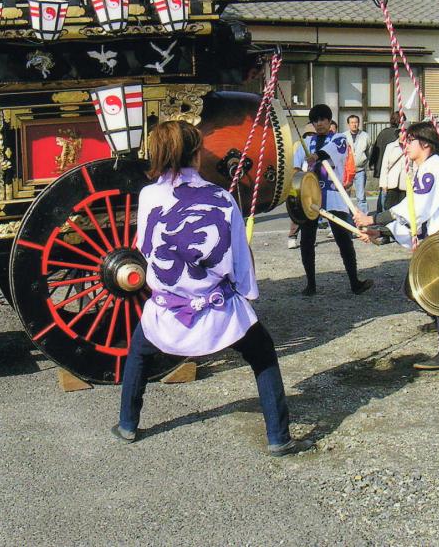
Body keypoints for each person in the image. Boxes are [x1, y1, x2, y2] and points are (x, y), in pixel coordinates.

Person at [114, 120, 311, 456]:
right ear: (196, 155)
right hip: (218, 308)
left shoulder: (148, 195)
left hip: (166, 308)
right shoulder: (221, 197)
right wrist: (247, 295)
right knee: (262, 353)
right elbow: (239, 258)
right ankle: (278, 436)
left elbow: (143, 247)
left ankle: (128, 424)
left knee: (139, 354)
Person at [354, 122, 439, 370]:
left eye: (410, 142)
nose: (405, 146)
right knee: (413, 288)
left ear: (426, 145)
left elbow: (416, 211)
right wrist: (382, 233)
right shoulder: (426, 168)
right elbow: (415, 216)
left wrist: (375, 219)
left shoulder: (431, 169)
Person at [293, 104, 373, 296]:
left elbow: (331, 152)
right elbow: (296, 169)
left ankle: (355, 282)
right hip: (310, 197)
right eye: (316, 120)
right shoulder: (305, 142)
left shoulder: (339, 138)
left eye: (323, 120)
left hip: (333, 195)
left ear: (329, 122)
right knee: (307, 241)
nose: (319, 123)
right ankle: (311, 284)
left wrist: (315, 156)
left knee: (343, 240)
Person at [370, 112, 405, 212]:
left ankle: (380, 214)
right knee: (388, 200)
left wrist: (372, 163)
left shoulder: (383, 132)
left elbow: (374, 149)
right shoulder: (393, 142)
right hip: (390, 171)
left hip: (382, 167)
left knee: (384, 196)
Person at [344, 114, 371, 214]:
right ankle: (345, 215)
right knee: (345, 194)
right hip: (347, 171)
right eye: (352, 123)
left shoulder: (365, 136)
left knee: (361, 196)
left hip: (360, 170)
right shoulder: (344, 136)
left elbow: (368, 151)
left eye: (356, 122)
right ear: (348, 124)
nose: (354, 125)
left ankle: (364, 216)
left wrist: (363, 161)